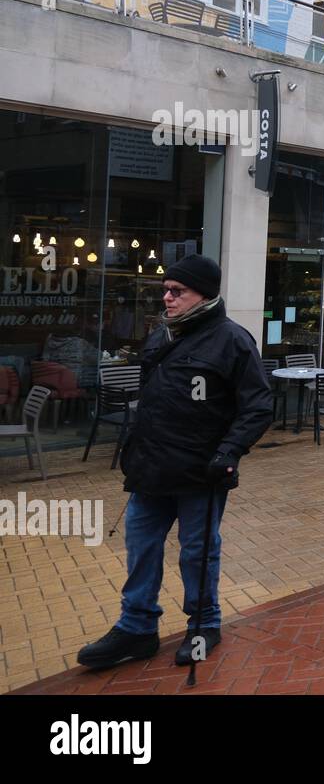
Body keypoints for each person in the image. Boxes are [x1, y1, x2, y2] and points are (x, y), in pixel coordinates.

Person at [77, 255, 274, 670]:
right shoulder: (160, 337)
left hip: (200, 472)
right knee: (141, 549)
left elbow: (258, 407)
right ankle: (137, 629)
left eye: (177, 291)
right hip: (149, 469)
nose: (166, 297)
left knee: (197, 552)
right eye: (165, 290)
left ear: (203, 293)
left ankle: (204, 626)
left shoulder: (233, 340)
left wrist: (228, 452)